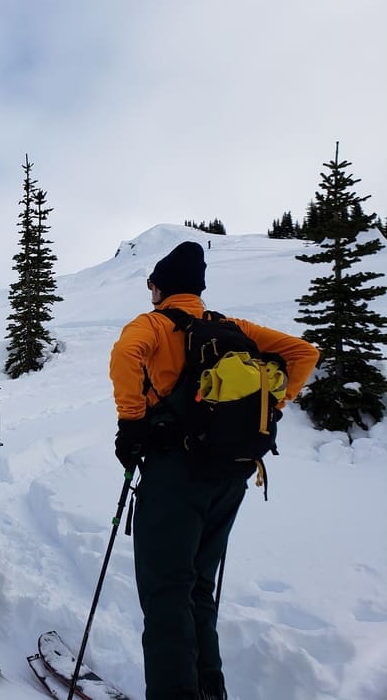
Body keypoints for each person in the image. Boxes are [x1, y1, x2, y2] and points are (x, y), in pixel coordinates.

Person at [109, 241, 319, 700]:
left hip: (174, 475)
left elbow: (125, 354)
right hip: (230, 475)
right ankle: (209, 690)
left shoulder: (153, 324)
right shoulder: (231, 327)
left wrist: (131, 422)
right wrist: (274, 406)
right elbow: (305, 353)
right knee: (199, 587)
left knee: (167, 593)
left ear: (158, 287)